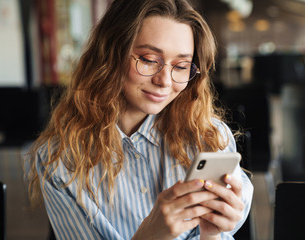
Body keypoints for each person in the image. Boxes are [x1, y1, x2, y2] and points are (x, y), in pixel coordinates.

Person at [25, 0, 253, 239]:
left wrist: (212, 234)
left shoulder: (210, 136)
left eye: (181, 65)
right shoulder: (61, 157)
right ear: (111, 54)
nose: (164, 81)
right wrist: (150, 234)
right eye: (147, 59)